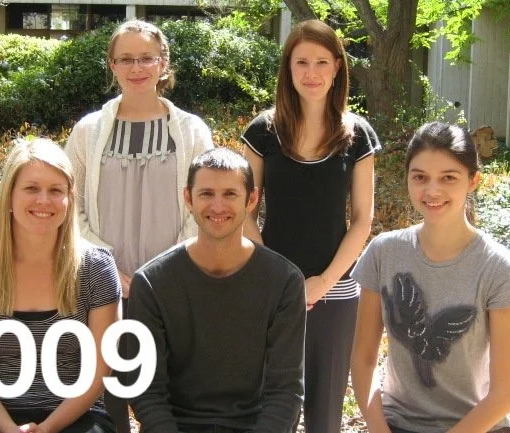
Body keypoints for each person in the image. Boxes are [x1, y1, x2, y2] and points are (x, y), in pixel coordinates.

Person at [64, 20, 213, 433]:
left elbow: (206, 207)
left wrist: (161, 273)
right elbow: (69, 206)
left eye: (146, 58)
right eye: (126, 59)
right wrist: (111, 270)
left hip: (175, 285)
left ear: (163, 62)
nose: (137, 68)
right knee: (107, 389)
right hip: (102, 285)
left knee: (168, 395)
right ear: (112, 65)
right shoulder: (88, 131)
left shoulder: (191, 131)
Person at [240, 19, 381, 433]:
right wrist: (282, 279)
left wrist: (322, 282)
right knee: (272, 411)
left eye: (321, 62)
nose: (311, 73)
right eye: (301, 62)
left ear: (337, 67)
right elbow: (244, 212)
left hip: (335, 291)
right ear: (288, 68)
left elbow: (363, 220)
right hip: (271, 288)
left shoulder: (358, 135)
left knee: (325, 414)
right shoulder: (262, 131)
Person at [350, 121, 510, 433]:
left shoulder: (500, 269)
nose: (432, 191)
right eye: (420, 177)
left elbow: (502, 396)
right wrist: (378, 428)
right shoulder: (383, 253)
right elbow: (363, 358)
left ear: (473, 181)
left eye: (448, 178)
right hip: (396, 424)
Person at [0, 138, 121, 433]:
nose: (44, 200)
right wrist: (9, 429)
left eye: (56, 191)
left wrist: (48, 428)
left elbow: (99, 371)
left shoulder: (96, 268)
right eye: (31, 188)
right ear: (9, 195)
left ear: (69, 199)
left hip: (75, 415)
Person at [127, 147, 306, 433]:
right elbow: (147, 391)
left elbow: (286, 391)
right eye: (206, 194)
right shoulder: (152, 282)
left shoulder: (284, 282)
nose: (218, 206)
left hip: (254, 425)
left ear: (252, 199)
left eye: (230, 194)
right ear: (188, 198)